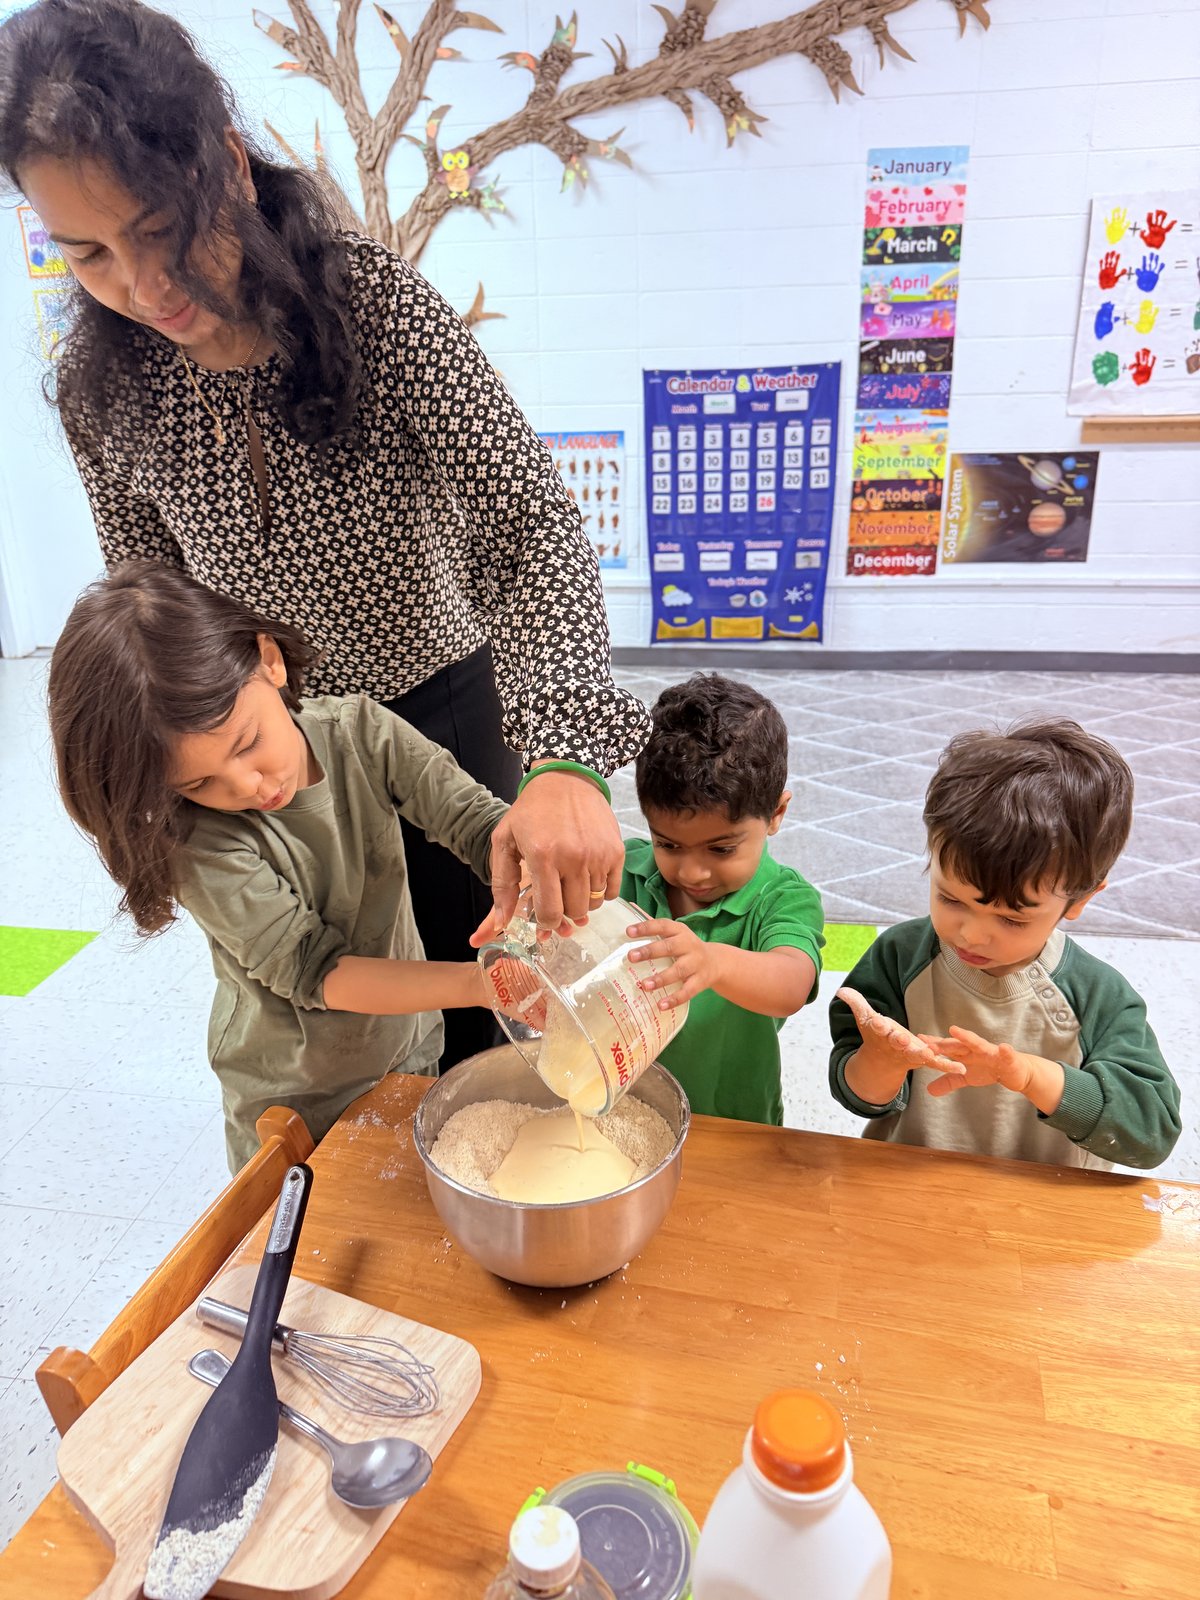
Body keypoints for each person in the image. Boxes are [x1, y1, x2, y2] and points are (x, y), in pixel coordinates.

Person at [0, 0, 650, 1071]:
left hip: (439, 709)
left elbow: (528, 520)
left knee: (495, 990)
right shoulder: (103, 390)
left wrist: (566, 758)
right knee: (332, 1006)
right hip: (263, 738)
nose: (144, 288)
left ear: (230, 166)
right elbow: (149, 597)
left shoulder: (378, 310)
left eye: (161, 231)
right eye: (90, 255)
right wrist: (186, 773)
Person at [48, 562, 508, 1170]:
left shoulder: (360, 734)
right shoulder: (195, 842)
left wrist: (527, 866)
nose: (246, 785)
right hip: (292, 1097)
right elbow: (317, 970)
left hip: (408, 1050)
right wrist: (481, 985)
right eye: (198, 781)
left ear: (270, 661)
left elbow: (475, 822)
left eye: (246, 743)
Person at [828, 720, 1181, 1170]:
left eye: (1012, 918)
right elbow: (860, 1098)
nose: (971, 935)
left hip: (1045, 1212)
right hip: (910, 1192)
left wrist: (1029, 1075)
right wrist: (881, 1061)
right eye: (951, 898)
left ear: (1081, 899)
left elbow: (1151, 1133)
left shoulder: (1098, 996)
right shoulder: (900, 957)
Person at [619, 674, 824, 1124]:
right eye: (668, 844)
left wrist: (714, 962)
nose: (692, 872)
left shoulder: (783, 899)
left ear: (776, 814)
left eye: (721, 849)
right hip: (623, 1111)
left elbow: (791, 983)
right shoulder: (627, 873)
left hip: (731, 1122)